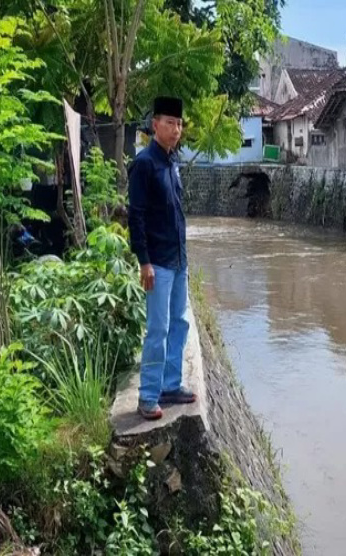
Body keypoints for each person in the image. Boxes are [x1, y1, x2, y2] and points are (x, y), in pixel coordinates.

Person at [128, 96, 196, 420]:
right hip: (157, 263)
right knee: (158, 328)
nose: (176, 129)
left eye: (179, 124)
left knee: (179, 324)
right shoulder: (145, 164)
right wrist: (144, 262)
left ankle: (171, 384)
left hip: (178, 261)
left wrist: (184, 260)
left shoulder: (172, 162)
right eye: (169, 123)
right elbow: (136, 216)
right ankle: (147, 395)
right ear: (155, 124)